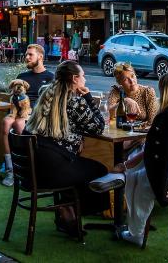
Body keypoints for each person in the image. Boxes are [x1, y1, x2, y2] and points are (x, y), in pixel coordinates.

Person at [90, 72, 168, 246]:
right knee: (135, 174)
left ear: (167, 90)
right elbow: (160, 150)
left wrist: (127, 164)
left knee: (137, 180)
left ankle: (136, 233)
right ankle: (132, 220)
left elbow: (160, 152)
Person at [25, 60, 108, 236]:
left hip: (32, 169)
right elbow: (99, 127)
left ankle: (68, 213)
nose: (85, 79)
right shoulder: (75, 100)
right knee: (99, 169)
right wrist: (88, 97)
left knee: (78, 167)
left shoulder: (46, 93)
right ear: (74, 79)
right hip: (52, 170)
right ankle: (69, 211)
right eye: (83, 76)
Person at [1, 44, 54, 186]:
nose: (27, 57)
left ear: (40, 57)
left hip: (37, 114)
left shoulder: (50, 77)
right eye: (26, 55)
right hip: (18, 110)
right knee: (6, 122)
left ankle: (27, 169)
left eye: (30, 55)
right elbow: (12, 96)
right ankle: (10, 169)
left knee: (19, 124)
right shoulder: (22, 76)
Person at [106, 62, 159, 126]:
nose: (131, 81)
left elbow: (152, 122)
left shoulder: (147, 92)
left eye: (132, 76)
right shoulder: (116, 91)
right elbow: (109, 114)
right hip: (121, 132)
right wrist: (125, 101)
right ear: (119, 82)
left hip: (141, 133)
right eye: (126, 79)